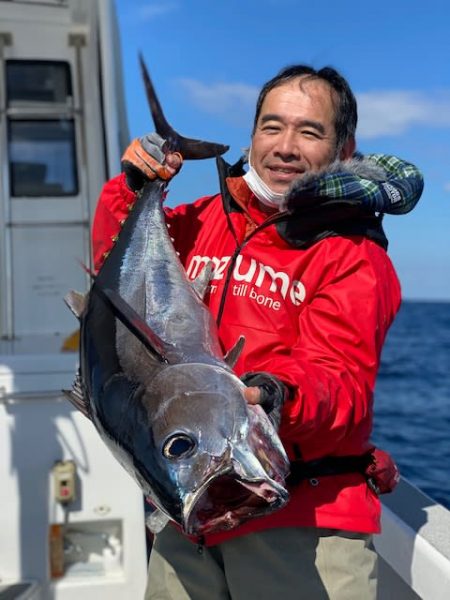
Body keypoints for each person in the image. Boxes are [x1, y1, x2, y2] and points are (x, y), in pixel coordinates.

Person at [92, 64, 423, 599]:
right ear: (252, 136)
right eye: (272, 126)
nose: (285, 146)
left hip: (298, 520)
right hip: (191, 515)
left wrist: (275, 395)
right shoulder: (202, 221)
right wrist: (131, 188)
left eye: (309, 131)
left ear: (344, 149)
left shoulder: (353, 256)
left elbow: (338, 378)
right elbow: (118, 289)